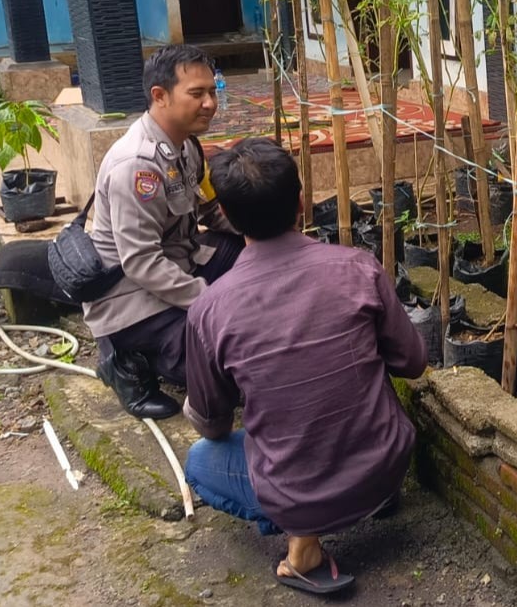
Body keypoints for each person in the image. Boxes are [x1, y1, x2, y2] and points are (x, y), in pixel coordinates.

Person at [181, 137, 426, 594]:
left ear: (228, 219)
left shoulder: (210, 310)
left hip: (302, 492)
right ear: (301, 201)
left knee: (200, 461)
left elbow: (212, 424)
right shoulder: (359, 268)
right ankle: (367, 500)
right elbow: (412, 363)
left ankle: (304, 545)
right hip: (388, 465)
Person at [85, 45, 243, 419]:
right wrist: (207, 300)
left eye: (212, 92)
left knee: (249, 252)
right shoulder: (135, 166)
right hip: (134, 300)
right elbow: (141, 263)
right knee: (230, 374)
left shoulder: (186, 146)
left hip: (180, 266)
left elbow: (209, 209)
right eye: (197, 94)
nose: (210, 103)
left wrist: (265, 238)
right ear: (160, 96)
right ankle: (127, 360)